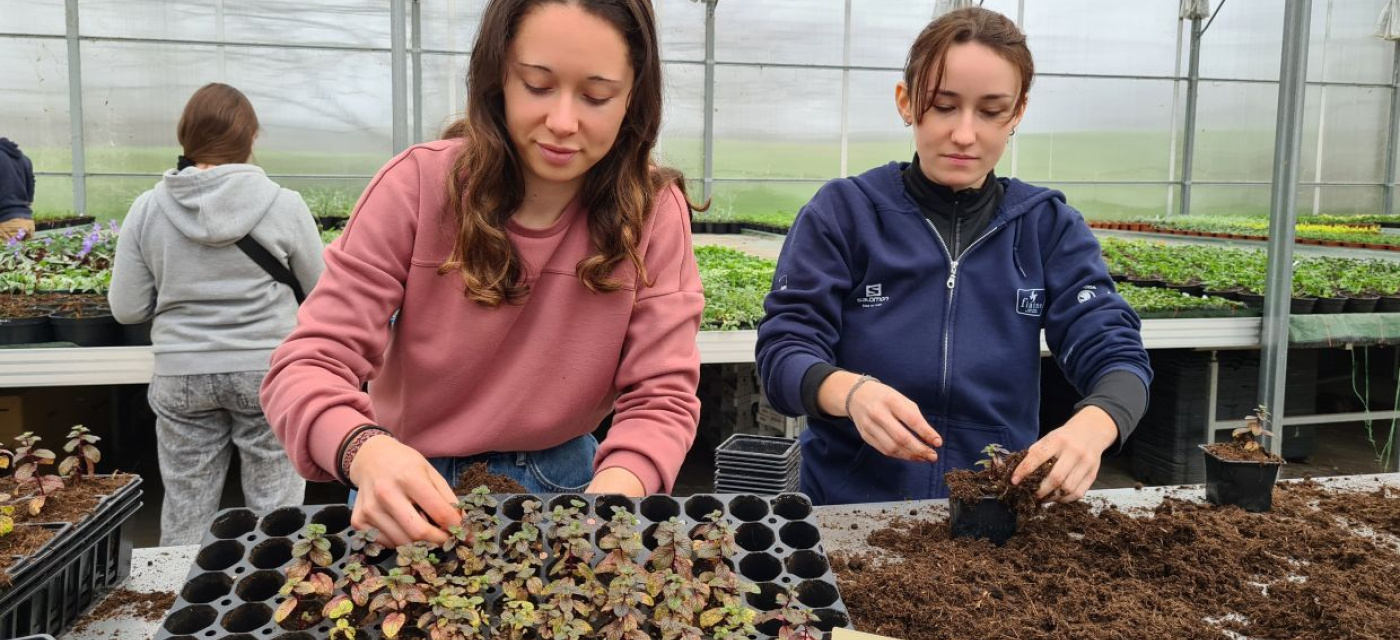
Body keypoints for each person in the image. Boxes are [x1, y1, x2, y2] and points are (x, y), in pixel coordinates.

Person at [261, 0, 704, 547]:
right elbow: (308, 363)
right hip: (405, 487)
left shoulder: (652, 213)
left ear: (634, 97)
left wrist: (615, 493)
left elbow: (661, 395)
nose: (563, 123)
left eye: (596, 96)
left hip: (570, 485)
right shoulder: (417, 187)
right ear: (497, 77)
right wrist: (363, 449)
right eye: (537, 86)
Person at [755, 7, 1152, 506]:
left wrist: (1094, 426)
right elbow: (783, 352)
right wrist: (850, 393)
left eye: (990, 111)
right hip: (849, 506)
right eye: (943, 106)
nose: (965, 134)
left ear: (1018, 112)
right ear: (906, 102)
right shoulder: (845, 214)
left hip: (995, 507)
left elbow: (1116, 351)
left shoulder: (1047, 227)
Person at [109, 83, 323, 546]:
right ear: (250, 138)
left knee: (186, 505)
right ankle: (272, 606)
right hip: (267, 370)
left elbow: (126, 309)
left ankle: (176, 604)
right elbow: (322, 292)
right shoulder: (283, 204)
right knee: (277, 507)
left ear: (187, 137)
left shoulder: (148, 208)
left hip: (181, 372)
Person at [0, 137, 36, 242]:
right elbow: (31, 189)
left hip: (6, 223)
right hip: (27, 221)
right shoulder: (24, 159)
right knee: (25, 257)